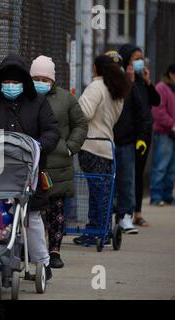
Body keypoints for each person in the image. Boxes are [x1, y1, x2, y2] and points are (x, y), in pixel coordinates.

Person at [0, 54, 61, 280]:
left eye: (15, 82)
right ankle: (3, 263)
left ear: (23, 83)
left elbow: (52, 130)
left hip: (29, 170)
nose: (10, 86)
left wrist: (39, 146)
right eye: (6, 83)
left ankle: (42, 263)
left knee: (32, 217)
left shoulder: (37, 102)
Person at [30, 55, 87, 268]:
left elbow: (80, 124)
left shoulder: (66, 99)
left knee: (56, 209)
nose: (40, 82)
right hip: (31, 163)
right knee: (31, 212)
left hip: (58, 163)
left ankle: (54, 251)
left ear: (53, 80)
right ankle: (31, 251)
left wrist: (70, 147)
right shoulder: (25, 99)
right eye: (35, 78)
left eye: (45, 79)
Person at [74, 55, 132, 245]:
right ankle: (102, 229)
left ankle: (96, 231)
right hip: (107, 146)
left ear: (97, 69)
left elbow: (84, 112)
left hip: (91, 145)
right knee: (103, 190)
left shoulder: (96, 87)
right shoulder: (116, 90)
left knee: (95, 190)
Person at [103, 49, 147, 235]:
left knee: (127, 180)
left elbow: (142, 114)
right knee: (106, 181)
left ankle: (125, 216)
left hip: (126, 142)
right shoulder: (99, 88)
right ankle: (104, 218)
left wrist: (142, 138)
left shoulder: (130, 87)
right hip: (104, 142)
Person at [118, 45, 161, 226]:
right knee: (127, 174)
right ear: (127, 61)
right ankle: (124, 212)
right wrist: (129, 80)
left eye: (141, 58)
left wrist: (148, 81)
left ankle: (137, 212)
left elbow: (156, 101)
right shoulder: (125, 82)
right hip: (128, 135)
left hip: (143, 134)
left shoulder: (143, 82)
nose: (140, 62)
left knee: (138, 172)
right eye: (136, 58)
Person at [150, 63, 175, 206]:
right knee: (161, 166)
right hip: (164, 133)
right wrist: (171, 124)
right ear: (171, 74)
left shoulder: (172, 89)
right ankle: (156, 196)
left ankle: (167, 195)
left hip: (172, 133)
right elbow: (158, 111)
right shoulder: (161, 88)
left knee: (171, 168)